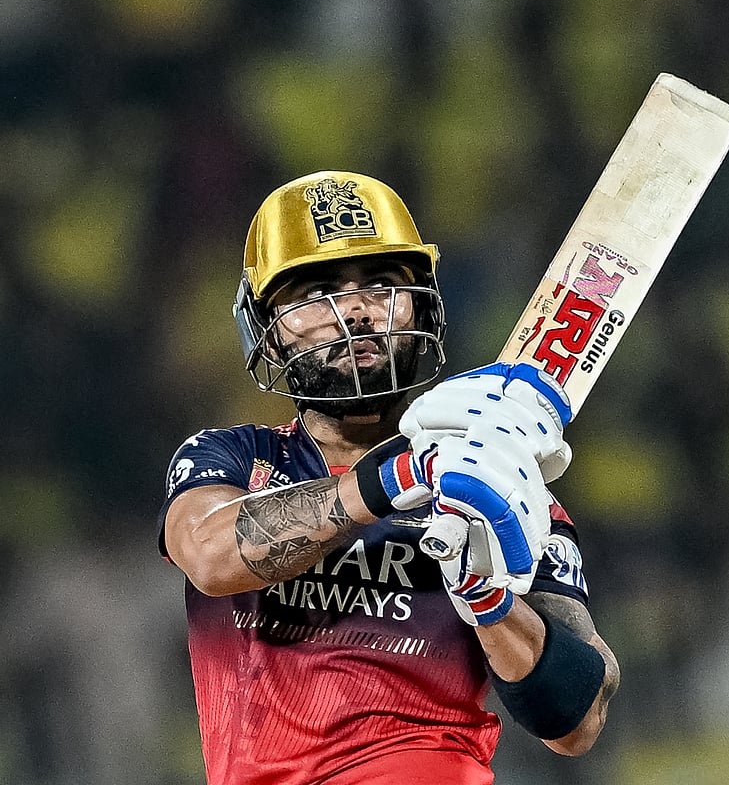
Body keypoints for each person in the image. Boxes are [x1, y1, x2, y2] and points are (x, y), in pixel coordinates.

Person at [157, 171, 620, 785]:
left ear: (422, 305)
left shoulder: (501, 495)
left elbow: (577, 718)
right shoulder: (233, 456)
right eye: (317, 290)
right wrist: (400, 475)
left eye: (382, 285)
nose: (355, 310)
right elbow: (213, 556)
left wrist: (489, 599)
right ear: (265, 322)